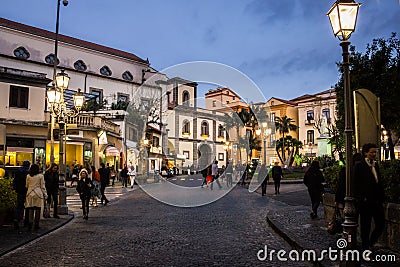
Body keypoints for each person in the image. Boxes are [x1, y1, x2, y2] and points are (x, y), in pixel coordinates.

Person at [354, 143, 385, 250]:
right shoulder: (360, 166)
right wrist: (361, 197)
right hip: (365, 202)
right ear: (365, 153)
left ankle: (371, 241)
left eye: (375, 152)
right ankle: (366, 246)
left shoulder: (375, 165)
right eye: (371, 152)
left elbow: (378, 182)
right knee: (365, 225)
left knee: (381, 224)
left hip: (376, 201)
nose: (373, 154)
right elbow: (355, 183)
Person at [25, 164, 47, 230]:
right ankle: (36, 225)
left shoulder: (28, 176)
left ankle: (30, 224)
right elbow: (42, 186)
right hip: (38, 193)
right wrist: (45, 194)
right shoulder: (41, 176)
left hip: (30, 193)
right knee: (38, 209)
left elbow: (27, 185)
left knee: (30, 209)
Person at [12, 160, 30, 230]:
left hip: (19, 190)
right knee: (27, 206)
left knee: (19, 206)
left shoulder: (18, 171)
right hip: (26, 190)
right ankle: (26, 221)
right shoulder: (28, 173)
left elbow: (15, 181)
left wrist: (15, 188)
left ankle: (17, 219)